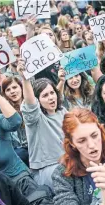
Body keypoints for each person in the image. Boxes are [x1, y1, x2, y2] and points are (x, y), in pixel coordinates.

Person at [18, 59, 67, 189]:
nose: (51, 97)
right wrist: (25, 79)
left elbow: (57, 95)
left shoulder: (61, 111)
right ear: (37, 101)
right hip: (48, 170)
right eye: (45, 95)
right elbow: (30, 103)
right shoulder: (35, 119)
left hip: (69, 163)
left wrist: (61, 81)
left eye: (52, 93)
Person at [1, 77, 29, 166]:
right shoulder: (6, 113)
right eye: (8, 90)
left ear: (21, 87)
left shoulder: (31, 104)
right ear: (5, 94)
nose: (12, 91)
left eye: (14, 87)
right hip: (22, 152)